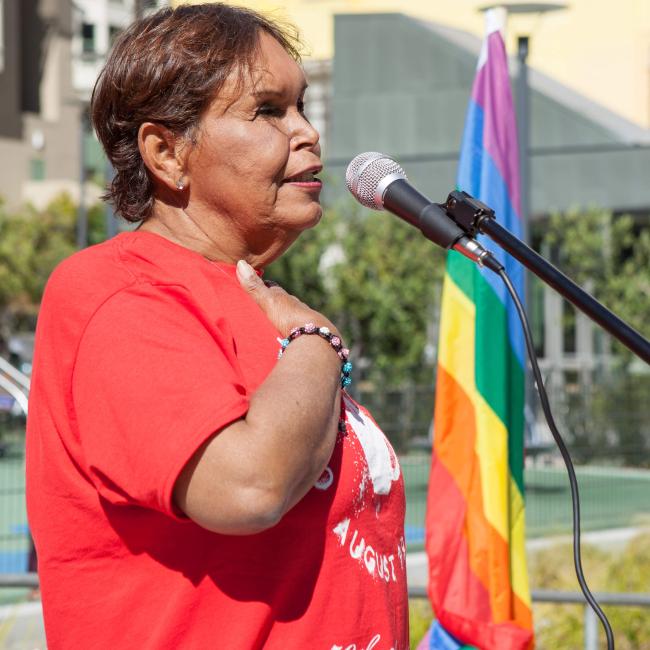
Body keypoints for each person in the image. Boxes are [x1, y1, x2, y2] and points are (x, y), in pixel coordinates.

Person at [25, 4, 407, 648]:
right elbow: (248, 486)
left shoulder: (258, 300)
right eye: (267, 111)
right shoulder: (117, 293)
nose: (309, 133)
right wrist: (317, 343)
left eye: (303, 105)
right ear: (166, 153)